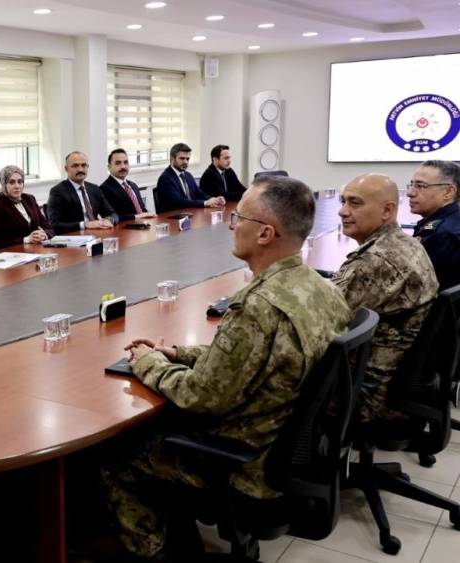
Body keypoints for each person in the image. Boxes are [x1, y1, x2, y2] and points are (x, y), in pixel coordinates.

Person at [100, 176, 351, 561]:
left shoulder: (257, 306)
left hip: (246, 462)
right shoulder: (322, 288)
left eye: (239, 218)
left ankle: (158, 552)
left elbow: (200, 396)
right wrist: (178, 353)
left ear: (265, 233)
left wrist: (148, 362)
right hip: (285, 448)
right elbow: (252, 357)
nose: (232, 226)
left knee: (114, 455)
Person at [332, 173, 438, 422]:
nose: (343, 211)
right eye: (343, 201)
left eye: (355, 203)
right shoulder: (403, 243)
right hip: (386, 379)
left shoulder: (376, 261)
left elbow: (320, 325)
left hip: (363, 393)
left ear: (387, 211)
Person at [408, 160, 460, 291]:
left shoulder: (441, 234)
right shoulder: (451, 222)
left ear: (448, 192)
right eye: (411, 184)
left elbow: (415, 286)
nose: (410, 192)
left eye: (420, 186)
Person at [47, 151, 118, 234]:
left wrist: (109, 220)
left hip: (97, 234)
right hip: (75, 237)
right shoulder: (57, 191)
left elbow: (112, 214)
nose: (80, 169)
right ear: (66, 169)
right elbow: (55, 225)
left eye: (84, 165)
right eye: (75, 166)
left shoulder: (94, 188)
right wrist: (85, 225)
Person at [0, 165, 54, 248]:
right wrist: (25, 239)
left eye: (20, 182)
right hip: (16, 252)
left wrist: (44, 235)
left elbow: (48, 227)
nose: (17, 186)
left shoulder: (30, 199)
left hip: (38, 249)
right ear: (4, 184)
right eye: (12, 182)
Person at [154, 142, 225, 212]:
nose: (185, 162)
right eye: (182, 158)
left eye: (187, 159)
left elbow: (199, 193)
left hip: (190, 214)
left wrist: (214, 200)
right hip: (173, 216)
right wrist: (204, 203)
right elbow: (179, 201)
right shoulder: (165, 178)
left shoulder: (188, 175)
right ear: (172, 158)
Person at [99, 148, 157, 221]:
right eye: (118, 163)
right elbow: (113, 217)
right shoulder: (104, 189)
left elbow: (142, 209)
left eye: (125, 162)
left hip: (144, 224)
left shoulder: (133, 185)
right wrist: (137, 217)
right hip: (126, 226)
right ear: (109, 167)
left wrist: (149, 215)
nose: (123, 166)